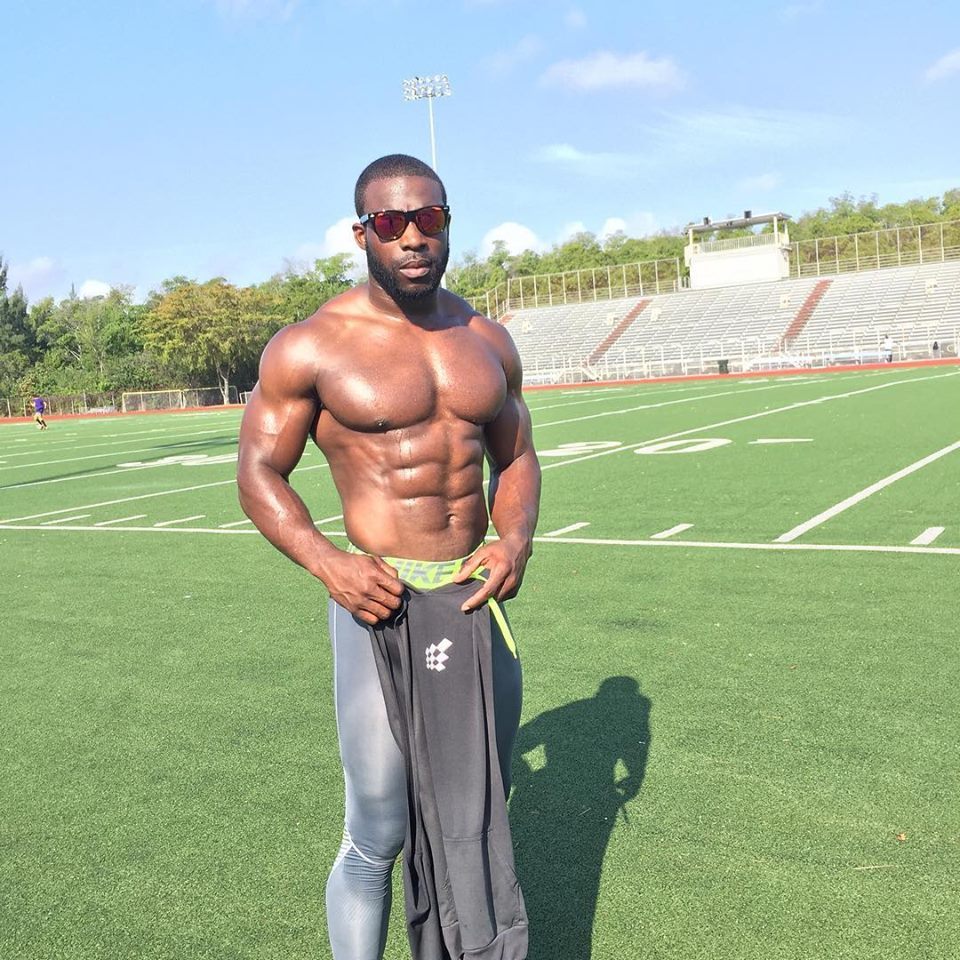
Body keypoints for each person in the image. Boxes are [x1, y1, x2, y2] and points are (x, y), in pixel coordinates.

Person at [236, 153, 541, 959]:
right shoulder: (311, 346)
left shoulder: (484, 339)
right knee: (379, 825)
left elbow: (516, 457)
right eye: (392, 222)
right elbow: (259, 472)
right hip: (380, 599)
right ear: (362, 233)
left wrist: (513, 539)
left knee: (479, 805)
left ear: (448, 224)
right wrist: (328, 562)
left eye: (428, 219)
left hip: (474, 599)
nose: (412, 237)